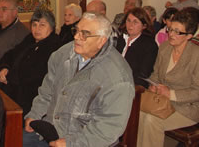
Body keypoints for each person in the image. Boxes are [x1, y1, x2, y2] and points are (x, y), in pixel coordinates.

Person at [23, 12, 135, 147]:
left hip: (84, 142)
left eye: (85, 34)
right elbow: (47, 90)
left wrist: (70, 143)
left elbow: (108, 127)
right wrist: (35, 113)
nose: (76, 37)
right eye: (76, 31)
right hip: (50, 130)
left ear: (101, 40)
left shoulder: (117, 78)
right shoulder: (63, 54)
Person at [137, 9, 199, 147]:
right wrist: (153, 85)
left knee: (152, 121)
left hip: (188, 107)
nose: (171, 34)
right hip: (163, 101)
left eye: (177, 32)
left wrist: (170, 94)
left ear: (189, 35)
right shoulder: (165, 48)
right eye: (170, 29)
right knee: (140, 114)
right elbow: (156, 74)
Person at [0, 9, 61, 116]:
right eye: (34, 25)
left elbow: (35, 75)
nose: (37, 29)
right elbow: (10, 54)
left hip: (32, 99)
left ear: (52, 27)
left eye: (42, 25)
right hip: (13, 89)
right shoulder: (30, 39)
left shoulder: (54, 46)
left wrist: (10, 77)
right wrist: (4, 68)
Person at [115, 7, 158, 88]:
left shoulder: (149, 45)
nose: (130, 25)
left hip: (134, 86)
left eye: (135, 22)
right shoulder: (121, 39)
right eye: (128, 20)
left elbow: (143, 74)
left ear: (144, 26)